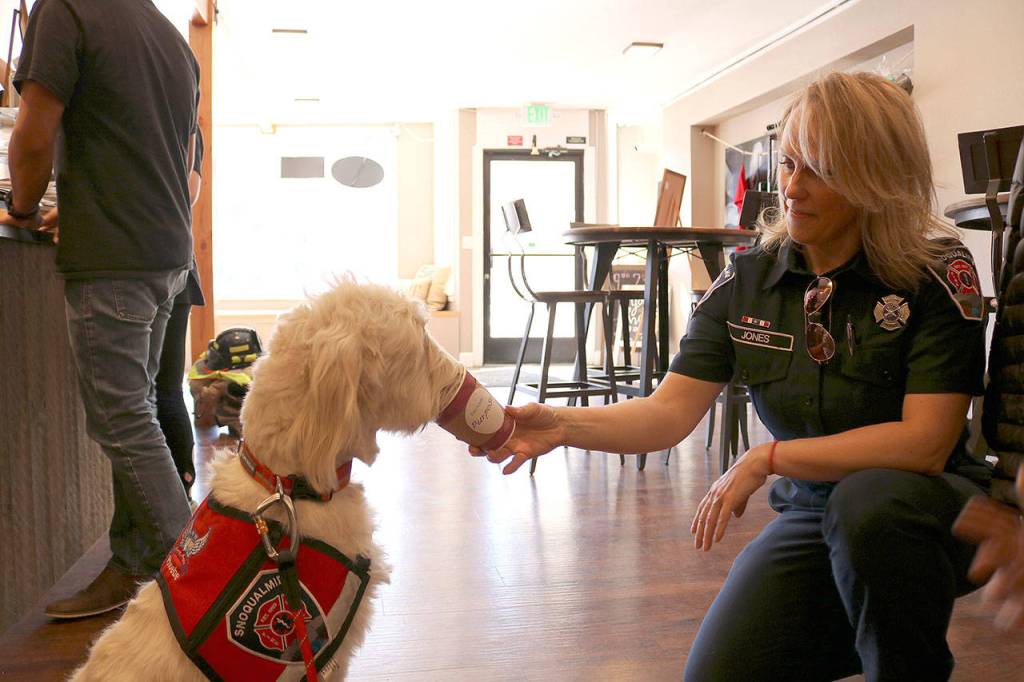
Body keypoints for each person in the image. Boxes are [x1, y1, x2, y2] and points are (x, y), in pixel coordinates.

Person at [477, 71, 987, 681]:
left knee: (868, 507)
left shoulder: (933, 271)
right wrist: (560, 422)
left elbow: (925, 444)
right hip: (814, 517)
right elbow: (667, 413)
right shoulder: (748, 281)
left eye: (818, 171)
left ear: (873, 178)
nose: (791, 188)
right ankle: (857, 625)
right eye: (789, 164)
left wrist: (769, 458)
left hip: (929, 514)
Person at [1, 0, 200, 619]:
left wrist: (24, 210)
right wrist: (84, 205)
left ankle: (203, 577)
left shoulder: (65, 12)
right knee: (137, 412)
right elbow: (161, 155)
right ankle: (135, 563)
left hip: (116, 260)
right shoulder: (168, 35)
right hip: (167, 254)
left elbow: (32, 141)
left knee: (122, 421)